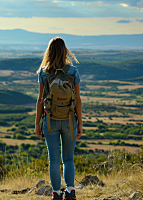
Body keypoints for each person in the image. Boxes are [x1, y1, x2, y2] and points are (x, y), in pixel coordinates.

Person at [35, 37, 82, 200]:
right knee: (68, 158)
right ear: (65, 51)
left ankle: (56, 193)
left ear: (49, 52)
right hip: (69, 120)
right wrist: (80, 124)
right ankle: (70, 191)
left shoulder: (43, 72)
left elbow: (40, 100)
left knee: (54, 159)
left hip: (50, 120)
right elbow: (78, 99)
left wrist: (37, 124)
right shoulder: (73, 71)